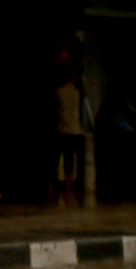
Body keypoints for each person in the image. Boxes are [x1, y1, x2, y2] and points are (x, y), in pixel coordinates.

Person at [53, 52, 90, 207]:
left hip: (63, 129)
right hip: (76, 129)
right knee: (76, 159)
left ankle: (65, 186)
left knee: (64, 158)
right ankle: (78, 185)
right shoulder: (76, 93)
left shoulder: (58, 92)